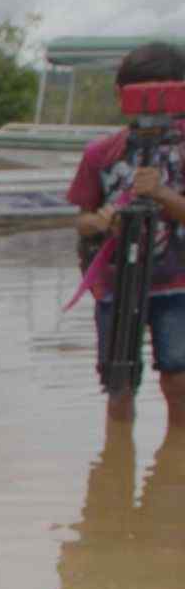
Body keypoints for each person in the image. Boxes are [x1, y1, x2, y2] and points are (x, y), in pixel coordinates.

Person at [72, 41, 185, 429]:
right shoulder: (102, 154)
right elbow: (82, 219)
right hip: (117, 285)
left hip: (178, 285)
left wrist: (162, 194)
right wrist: (104, 222)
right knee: (118, 384)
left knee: (179, 377)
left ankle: (174, 467)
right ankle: (116, 464)